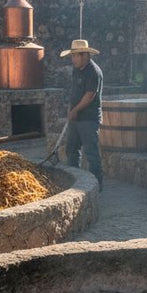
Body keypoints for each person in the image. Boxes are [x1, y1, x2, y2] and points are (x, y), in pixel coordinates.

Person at [61, 39, 103, 190]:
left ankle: (97, 186)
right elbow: (75, 92)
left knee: (91, 153)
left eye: (75, 56)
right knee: (72, 150)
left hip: (89, 119)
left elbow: (89, 96)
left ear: (85, 55)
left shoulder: (93, 72)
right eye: (72, 56)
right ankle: (75, 183)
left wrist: (75, 110)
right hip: (76, 118)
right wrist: (70, 109)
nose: (73, 59)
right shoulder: (77, 69)